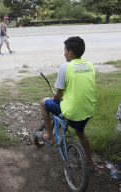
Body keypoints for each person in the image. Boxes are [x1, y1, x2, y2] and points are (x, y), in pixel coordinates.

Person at [36, 36, 96, 169]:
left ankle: (51, 137)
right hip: (88, 111)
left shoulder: (65, 67)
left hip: (72, 112)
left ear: (70, 53)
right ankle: (91, 163)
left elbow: (59, 93)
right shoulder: (90, 65)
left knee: (43, 103)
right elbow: (80, 87)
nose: (64, 53)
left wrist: (53, 99)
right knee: (80, 133)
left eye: (64, 50)